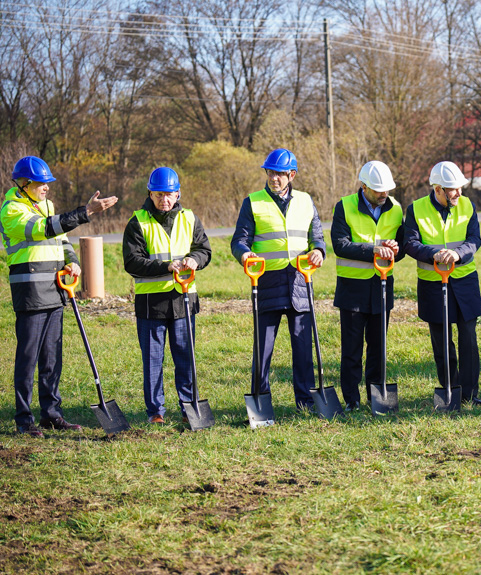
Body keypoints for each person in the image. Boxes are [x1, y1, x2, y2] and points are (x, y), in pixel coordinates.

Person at [2, 156, 118, 437]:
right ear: (24, 183)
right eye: (42, 184)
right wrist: (85, 212)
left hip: (55, 290)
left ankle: (51, 413)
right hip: (30, 292)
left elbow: (61, 239)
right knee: (28, 358)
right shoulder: (11, 209)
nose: (46, 189)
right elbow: (44, 229)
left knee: (52, 357)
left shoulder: (46, 205)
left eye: (47, 184)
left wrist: (72, 260)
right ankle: (23, 419)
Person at [231, 148, 326, 410]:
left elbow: (316, 236)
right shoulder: (253, 202)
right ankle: (261, 400)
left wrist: (318, 251)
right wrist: (245, 254)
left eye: (280, 174)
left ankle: (306, 402)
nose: (274, 178)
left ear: (291, 175)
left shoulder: (306, 201)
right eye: (271, 173)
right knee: (263, 351)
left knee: (303, 349)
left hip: (299, 281)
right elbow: (239, 240)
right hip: (267, 283)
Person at [123, 167, 212, 424]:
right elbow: (132, 262)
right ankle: (156, 412)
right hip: (152, 303)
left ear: (178, 193)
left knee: (186, 357)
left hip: (184, 300)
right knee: (153, 360)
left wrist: (195, 260)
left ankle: (189, 406)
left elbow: (204, 250)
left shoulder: (190, 218)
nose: (165, 200)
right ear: (150, 193)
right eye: (159, 194)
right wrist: (166, 266)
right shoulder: (137, 222)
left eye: (170, 195)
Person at [403, 161, 481, 405]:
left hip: (465, 281)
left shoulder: (467, 205)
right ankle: (450, 391)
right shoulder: (415, 209)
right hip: (432, 284)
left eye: (460, 187)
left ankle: (470, 394)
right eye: (452, 189)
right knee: (441, 342)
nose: (458, 193)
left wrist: (458, 253)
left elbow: (474, 239)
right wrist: (433, 254)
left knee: (469, 338)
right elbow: (410, 243)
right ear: (438, 189)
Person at [331, 161, 405, 411]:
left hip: (382, 286)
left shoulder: (395, 208)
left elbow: (402, 246)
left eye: (386, 190)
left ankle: (377, 397)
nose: (384, 194)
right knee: (351, 350)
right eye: (377, 190)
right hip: (352, 289)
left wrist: (396, 248)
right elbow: (340, 244)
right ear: (363, 186)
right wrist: (373, 249)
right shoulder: (345, 206)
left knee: (378, 347)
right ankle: (352, 399)